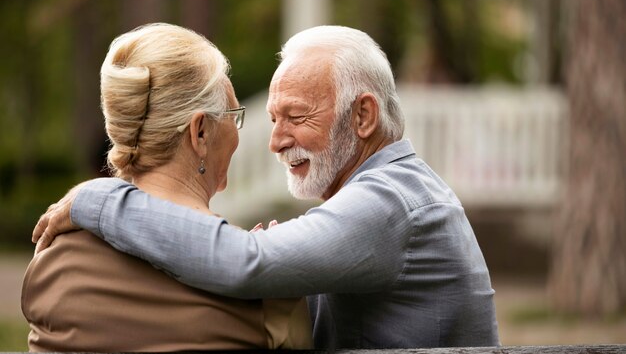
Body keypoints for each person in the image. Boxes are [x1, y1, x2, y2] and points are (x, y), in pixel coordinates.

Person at [33, 25, 500, 349]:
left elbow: (246, 265)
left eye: (296, 117)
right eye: (272, 119)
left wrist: (100, 198)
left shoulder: (392, 202)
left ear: (363, 116)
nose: (276, 141)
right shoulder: (390, 192)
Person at [22, 23, 312, 352]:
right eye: (234, 114)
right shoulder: (263, 291)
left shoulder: (52, 264)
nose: (237, 131)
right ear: (200, 132)